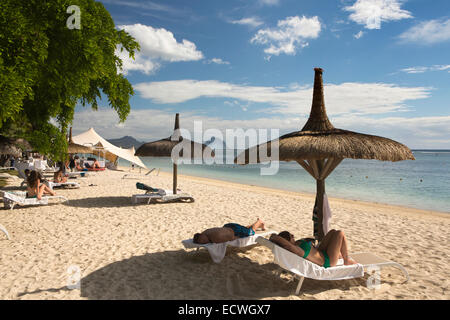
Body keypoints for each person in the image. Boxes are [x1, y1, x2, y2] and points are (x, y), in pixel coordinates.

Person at [276, 229, 357, 268]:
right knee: (340, 233)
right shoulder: (297, 249)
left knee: (332, 231)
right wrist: (274, 237)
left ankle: (340, 254)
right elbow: (288, 245)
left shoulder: (296, 244)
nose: (293, 236)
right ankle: (346, 260)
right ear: (287, 241)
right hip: (327, 261)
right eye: (291, 236)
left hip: (320, 252)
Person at [193, 218, 266, 244]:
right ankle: (260, 225)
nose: (204, 241)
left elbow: (231, 238)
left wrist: (237, 237)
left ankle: (259, 221)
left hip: (235, 230)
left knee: (251, 232)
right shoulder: (206, 232)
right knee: (244, 229)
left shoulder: (215, 239)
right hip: (228, 226)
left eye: (202, 240)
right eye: (202, 242)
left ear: (201, 235)